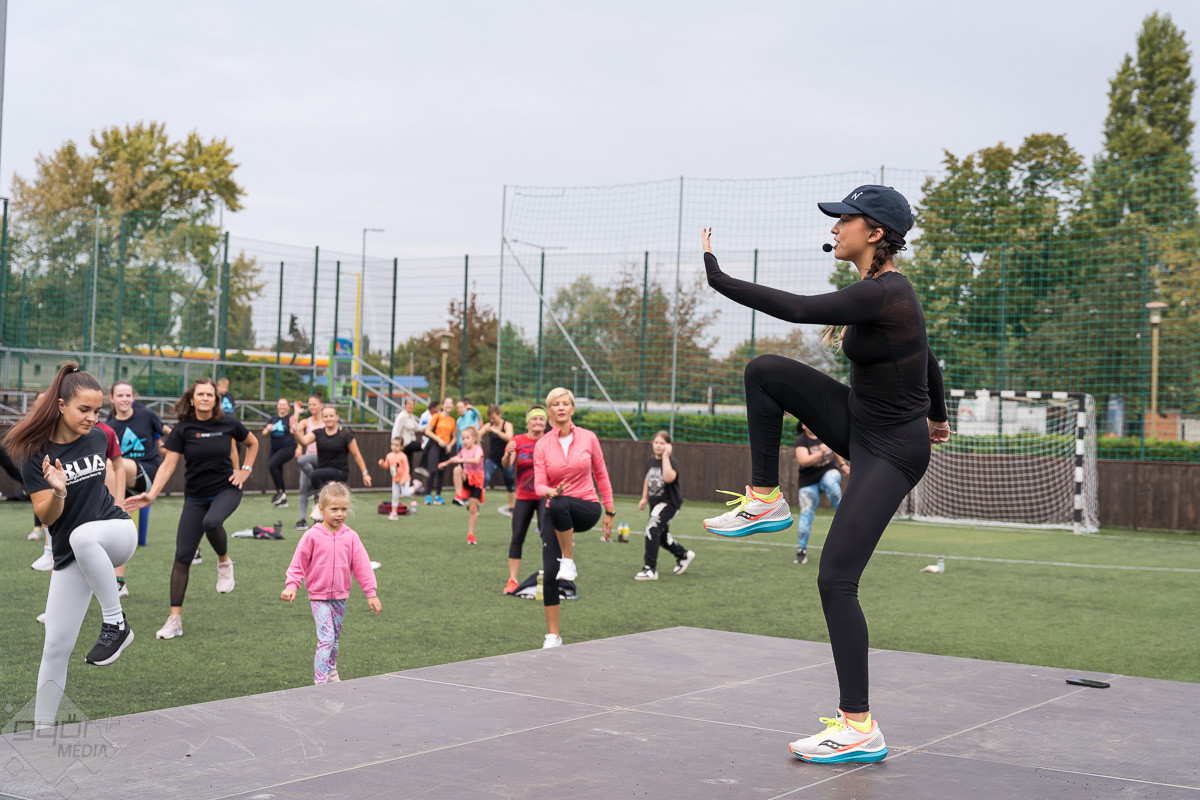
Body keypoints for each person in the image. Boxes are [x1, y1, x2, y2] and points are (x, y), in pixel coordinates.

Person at [699, 185, 950, 764]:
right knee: (765, 371)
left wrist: (719, 278)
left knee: (836, 578)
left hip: (892, 448)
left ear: (875, 233)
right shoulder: (876, 291)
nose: (835, 229)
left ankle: (859, 726)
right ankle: (766, 498)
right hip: (861, 420)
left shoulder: (887, 292)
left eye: (845, 220)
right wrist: (939, 414)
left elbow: (799, 309)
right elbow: (929, 357)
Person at [3, 363, 138, 727]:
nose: (93, 418)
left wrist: (132, 488)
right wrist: (59, 492)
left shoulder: (99, 437)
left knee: (83, 535)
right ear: (61, 405)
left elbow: (116, 472)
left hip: (116, 533)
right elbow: (46, 517)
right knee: (55, 647)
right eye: (84, 410)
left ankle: (116, 623)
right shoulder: (35, 454)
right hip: (73, 553)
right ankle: (42, 731)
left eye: (97, 410)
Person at [125, 377, 259, 641]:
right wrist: (151, 494)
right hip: (195, 497)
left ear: (216, 399)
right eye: (201, 394)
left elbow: (253, 444)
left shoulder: (228, 422)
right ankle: (174, 620)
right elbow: (168, 465)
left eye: (210, 394)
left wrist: (245, 470)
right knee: (182, 556)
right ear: (192, 399)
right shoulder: (183, 429)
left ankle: (224, 561)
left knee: (212, 522)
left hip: (227, 489)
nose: (205, 398)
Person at [533, 387, 614, 648]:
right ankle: (553, 635)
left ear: (572, 409)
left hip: (586, 508)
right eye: (555, 404)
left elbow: (601, 475)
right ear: (549, 411)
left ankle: (568, 559)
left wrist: (610, 510)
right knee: (550, 572)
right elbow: (538, 485)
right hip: (555, 508)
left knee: (561, 504)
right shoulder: (542, 444)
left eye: (565, 403)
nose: (561, 408)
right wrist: (550, 491)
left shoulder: (589, 438)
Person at [281, 482, 381, 684]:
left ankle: (331, 672)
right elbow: (298, 563)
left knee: (334, 639)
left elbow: (362, 566)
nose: (339, 514)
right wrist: (291, 585)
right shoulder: (312, 536)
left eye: (344, 509)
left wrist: (371, 593)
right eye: (334, 509)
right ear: (321, 509)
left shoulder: (351, 537)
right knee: (326, 638)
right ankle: (319, 682)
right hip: (319, 597)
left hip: (341, 596)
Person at [635, 431, 695, 581]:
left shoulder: (670, 461)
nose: (658, 446)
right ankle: (683, 555)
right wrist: (644, 498)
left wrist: (666, 456)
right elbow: (647, 478)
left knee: (652, 528)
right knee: (660, 536)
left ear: (668, 445)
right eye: (656, 442)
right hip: (655, 504)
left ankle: (650, 569)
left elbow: (668, 478)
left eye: (662, 443)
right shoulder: (650, 460)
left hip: (669, 503)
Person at [501, 405, 547, 594]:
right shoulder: (517, 441)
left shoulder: (550, 441)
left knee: (548, 536)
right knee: (517, 536)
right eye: (534, 419)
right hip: (524, 496)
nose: (538, 422)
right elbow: (506, 465)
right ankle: (512, 579)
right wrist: (507, 453)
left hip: (545, 495)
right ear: (527, 422)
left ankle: (553, 577)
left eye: (541, 419)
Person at [291, 406, 372, 513]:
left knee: (314, 475)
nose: (328, 418)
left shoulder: (345, 435)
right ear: (322, 418)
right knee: (321, 499)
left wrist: (365, 473)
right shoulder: (318, 433)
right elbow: (303, 441)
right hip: (322, 473)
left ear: (337, 417)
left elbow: (357, 455)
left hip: (340, 473)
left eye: (331, 416)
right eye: (325, 416)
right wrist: (295, 430)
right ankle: (319, 511)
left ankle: (320, 505)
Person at [793, 422, 848, 565]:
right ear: (802, 426)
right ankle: (801, 550)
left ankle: (843, 512)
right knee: (806, 515)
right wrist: (820, 452)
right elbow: (803, 461)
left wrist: (843, 465)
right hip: (809, 481)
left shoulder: (825, 433)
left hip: (829, 473)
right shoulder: (802, 441)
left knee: (830, 482)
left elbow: (836, 449)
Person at [439, 426, 484, 544]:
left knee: (473, 510)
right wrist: (445, 463)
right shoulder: (462, 451)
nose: (465, 441)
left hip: (477, 480)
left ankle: (471, 534)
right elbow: (455, 459)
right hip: (466, 478)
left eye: (467, 438)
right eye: (463, 438)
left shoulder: (478, 449)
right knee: (457, 470)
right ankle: (458, 496)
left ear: (474, 439)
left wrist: (462, 460)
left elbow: (476, 460)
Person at [293, 395, 325, 529]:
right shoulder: (306, 421)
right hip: (309, 459)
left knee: (319, 491)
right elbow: (296, 430)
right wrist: (296, 412)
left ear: (321, 406)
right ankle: (302, 520)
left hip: (323, 459)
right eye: (310, 404)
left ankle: (318, 520)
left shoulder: (327, 421)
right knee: (303, 489)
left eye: (314, 404)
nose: (311, 407)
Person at [479, 404, 516, 516]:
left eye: (494, 418)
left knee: (509, 484)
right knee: (484, 479)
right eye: (490, 418)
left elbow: (509, 437)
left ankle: (512, 508)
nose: (492, 420)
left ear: (499, 415)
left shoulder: (507, 425)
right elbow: (478, 435)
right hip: (492, 459)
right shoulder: (488, 425)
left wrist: (496, 431)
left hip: (506, 459)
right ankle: (477, 504)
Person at [419, 397, 457, 505]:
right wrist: (439, 440)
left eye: (451, 403)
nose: (449, 405)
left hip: (445, 448)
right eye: (447, 403)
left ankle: (438, 496)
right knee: (433, 470)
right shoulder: (437, 416)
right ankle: (428, 495)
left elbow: (454, 437)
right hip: (435, 445)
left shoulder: (452, 421)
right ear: (443, 405)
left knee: (441, 471)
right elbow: (428, 431)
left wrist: (450, 445)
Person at [262, 398, 296, 507]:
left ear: (288, 407)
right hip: (274, 448)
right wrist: (267, 429)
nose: (282, 406)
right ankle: (283, 498)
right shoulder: (273, 419)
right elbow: (264, 434)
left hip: (288, 447)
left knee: (273, 464)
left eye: (284, 404)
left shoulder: (291, 418)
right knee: (276, 469)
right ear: (277, 406)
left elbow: (296, 431)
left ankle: (280, 492)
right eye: (280, 404)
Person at [451, 398, 482, 504]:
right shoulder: (458, 421)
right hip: (462, 447)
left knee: (475, 470)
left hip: (473, 447)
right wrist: (459, 450)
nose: (459, 409)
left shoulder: (470, 414)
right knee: (462, 470)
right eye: (457, 408)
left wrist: (472, 408)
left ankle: (477, 494)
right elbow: (459, 436)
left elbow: (478, 415)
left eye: (461, 407)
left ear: (466, 407)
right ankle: (461, 495)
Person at [391, 396, 424, 490]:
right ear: (405, 405)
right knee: (424, 446)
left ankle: (405, 487)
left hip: (409, 444)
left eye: (412, 404)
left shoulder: (410, 416)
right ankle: (423, 466)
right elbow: (396, 432)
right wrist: (396, 446)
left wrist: (430, 425)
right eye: (409, 404)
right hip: (405, 445)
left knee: (408, 466)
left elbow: (419, 428)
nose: (411, 406)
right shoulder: (402, 417)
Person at [378, 437, 414, 520]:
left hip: (404, 479)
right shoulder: (389, 455)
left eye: (397, 445)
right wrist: (382, 464)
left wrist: (404, 479)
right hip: (395, 479)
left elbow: (407, 469)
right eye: (393, 444)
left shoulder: (403, 456)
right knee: (395, 496)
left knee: (405, 494)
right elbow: (386, 465)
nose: (394, 447)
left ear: (401, 447)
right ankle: (394, 513)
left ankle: (416, 486)